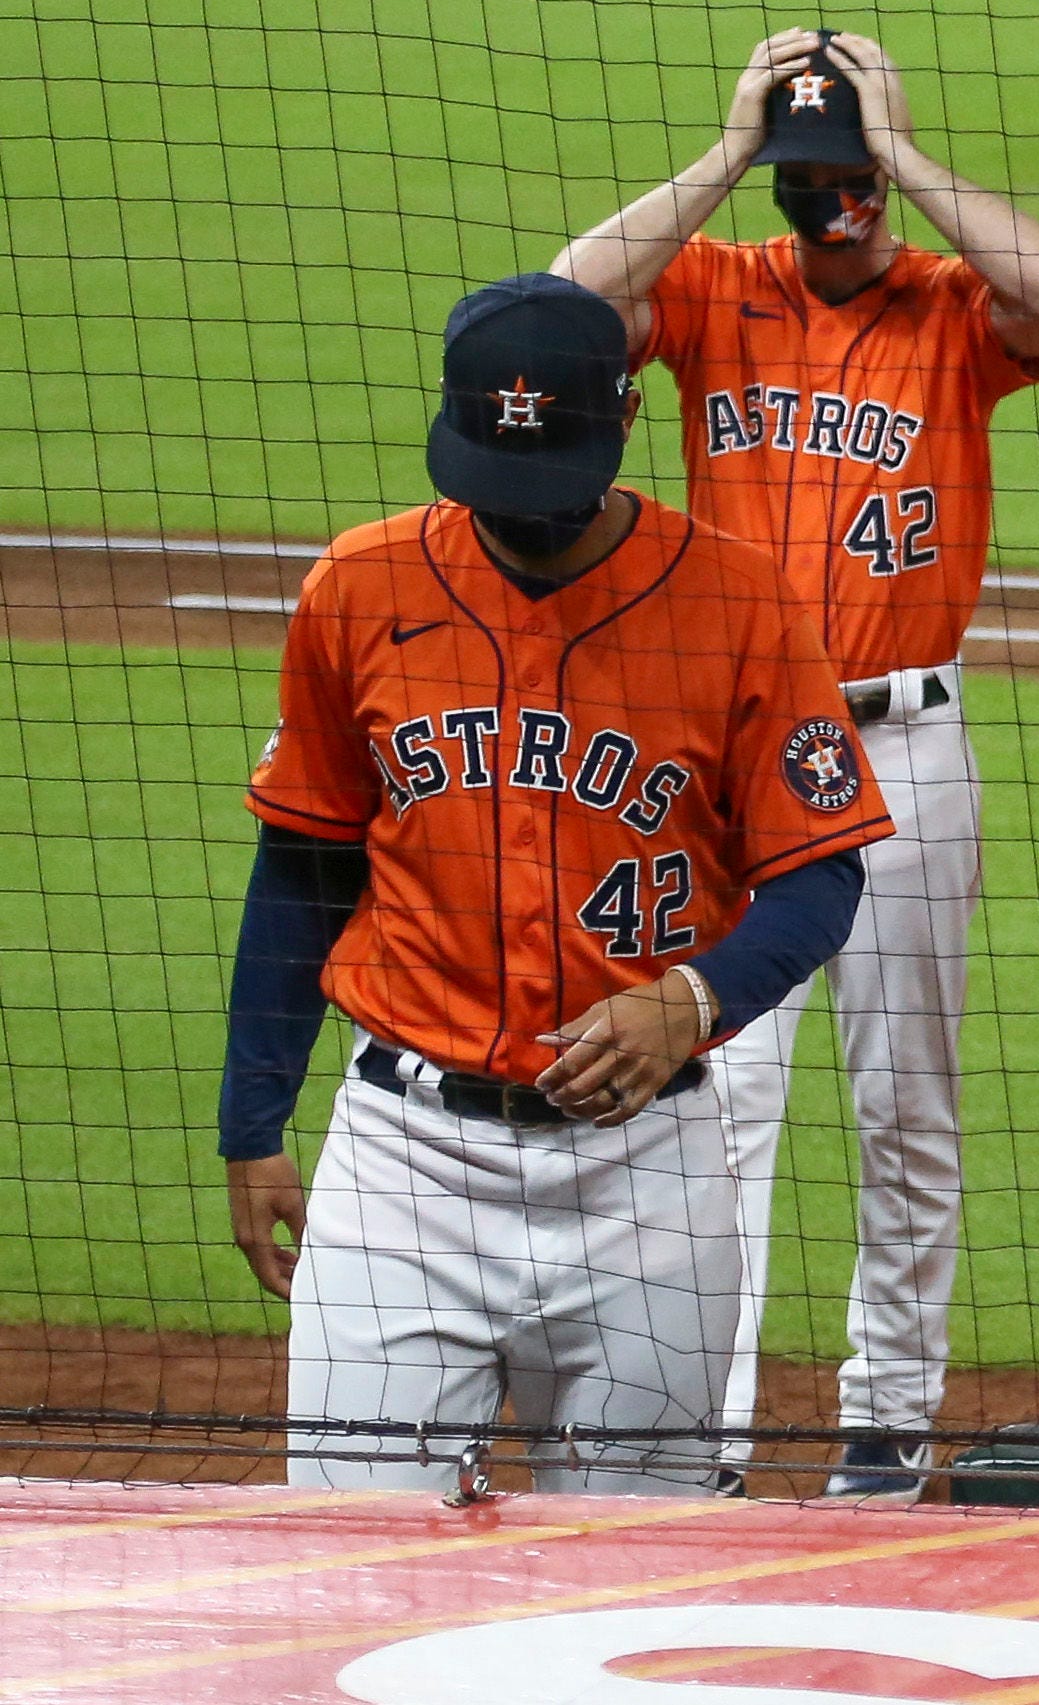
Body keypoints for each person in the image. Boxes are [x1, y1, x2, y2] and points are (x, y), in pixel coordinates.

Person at [220, 275, 888, 1494]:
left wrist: (690, 998)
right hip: (404, 1167)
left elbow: (818, 873)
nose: (518, 515)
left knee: (634, 1581)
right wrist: (250, 1122)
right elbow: (305, 865)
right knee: (355, 1562)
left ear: (629, 414)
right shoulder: (358, 589)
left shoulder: (739, 603)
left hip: (648, 1171)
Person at [554, 27, 1039, 1497]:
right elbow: (563, 296)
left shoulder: (956, 310)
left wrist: (903, 156)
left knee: (902, 1100)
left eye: (843, 177)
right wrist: (731, 152)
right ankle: (705, 1433)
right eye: (808, 179)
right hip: (732, 757)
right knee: (718, 1096)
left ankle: (887, 1424)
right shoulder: (718, 288)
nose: (827, 202)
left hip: (908, 749)